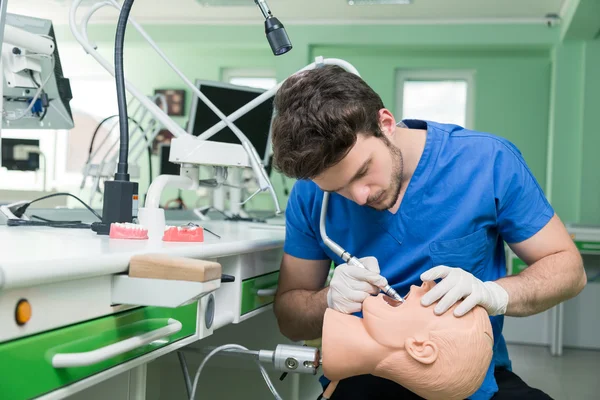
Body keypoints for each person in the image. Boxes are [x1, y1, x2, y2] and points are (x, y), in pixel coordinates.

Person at [269, 65, 587, 400]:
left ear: (386, 124)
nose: (360, 196)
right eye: (338, 188)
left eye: (363, 172)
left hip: (470, 379)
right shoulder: (311, 197)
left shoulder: (486, 162)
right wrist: (328, 299)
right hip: (365, 378)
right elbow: (290, 317)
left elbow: (568, 269)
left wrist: (494, 294)